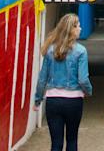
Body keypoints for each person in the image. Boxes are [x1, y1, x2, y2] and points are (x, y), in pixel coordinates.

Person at [35, 13, 92, 151]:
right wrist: (89, 91)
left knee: (56, 143)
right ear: (71, 29)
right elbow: (83, 79)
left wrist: (38, 99)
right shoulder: (81, 51)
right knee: (72, 140)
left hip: (53, 101)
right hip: (73, 102)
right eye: (78, 26)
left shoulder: (50, 50)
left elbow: (43, 78)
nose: (80, 28)